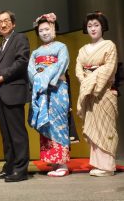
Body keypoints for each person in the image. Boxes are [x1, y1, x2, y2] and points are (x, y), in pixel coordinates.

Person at [0, 10, 30, 182]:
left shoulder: (19, 38)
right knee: (6, 134)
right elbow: (2, 67)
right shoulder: (2, 44)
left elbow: (21, 62)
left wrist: (2, 76)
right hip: (0, 94)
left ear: (13, 23)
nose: (3, 24)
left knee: (17, 133)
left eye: (6, 21)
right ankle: (10, 166)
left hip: (12, 92)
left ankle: (21, 169)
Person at [76, 11, 118, 176]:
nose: (93, 29)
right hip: (89, 92)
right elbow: (78, 68)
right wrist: (86, 81)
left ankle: (108, 167)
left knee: (106, 127)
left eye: (96, 25)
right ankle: (98, 163)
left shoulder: (109, 45)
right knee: (93, 127)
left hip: (103, 91)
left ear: (102, 27)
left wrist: (91, 81)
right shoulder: (83, 49)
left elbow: (109, 67)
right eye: (89, 26)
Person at [28, 13, 70, 177]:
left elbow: (61, 64)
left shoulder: (61, 47)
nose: (44, 33)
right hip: (42, 90)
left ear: (54, 29)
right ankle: (53, 162)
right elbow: (31, 70)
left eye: (47, 29)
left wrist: (44, 76)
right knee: (46, 123)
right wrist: (38, 79)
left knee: (59, 122)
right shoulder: (36, 52)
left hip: (57, 88)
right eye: (41, 30)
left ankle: (63, 163)